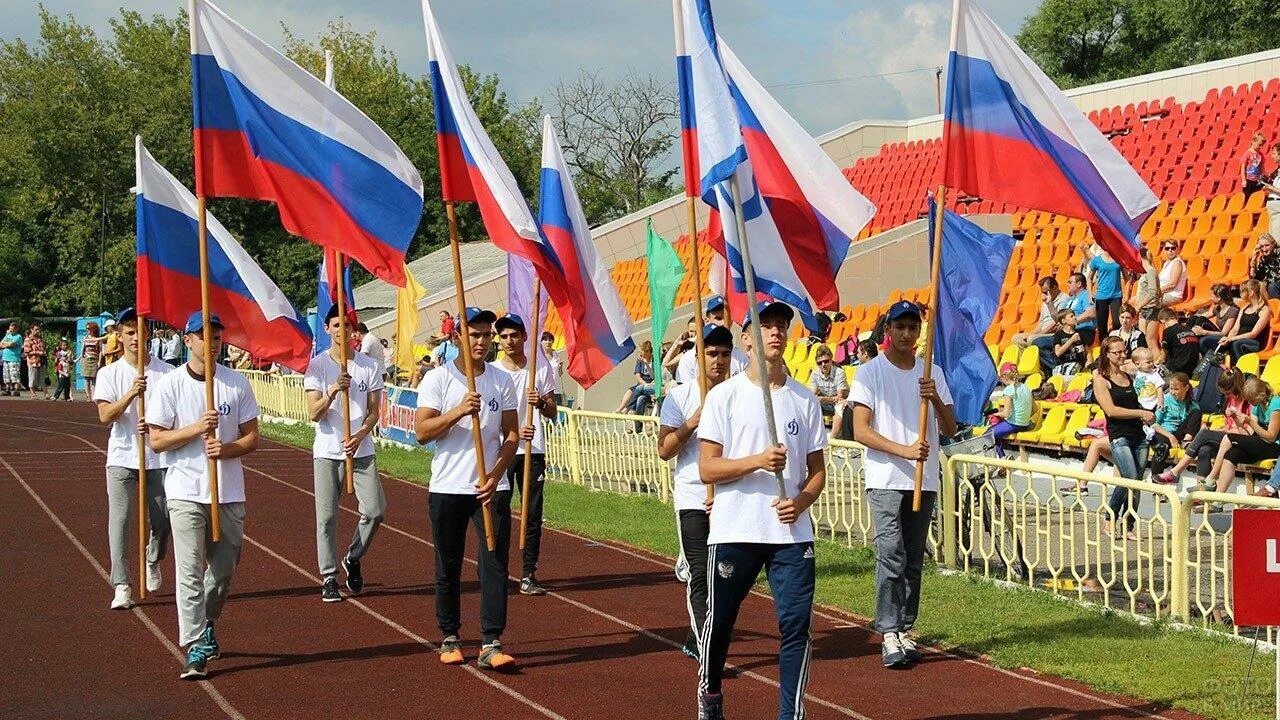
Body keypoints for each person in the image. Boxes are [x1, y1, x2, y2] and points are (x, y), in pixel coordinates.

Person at [696, 301, 827, 720]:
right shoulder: (724, 396)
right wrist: (756, 461)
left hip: (790, 534)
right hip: (736, 529)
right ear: (746, 338)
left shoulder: (804, 399)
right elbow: (707, 468)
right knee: (719, 625)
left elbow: (817, 471)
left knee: (796, 629)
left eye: (780, 326)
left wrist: (801, 501)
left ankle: (791, 714)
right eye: (764, 325)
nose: (774, 332)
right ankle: (711, 694)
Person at [146, 311, 260, 680]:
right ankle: (195, 645)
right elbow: (158, 440)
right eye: (202, 336)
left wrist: (224, 450)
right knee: (189, 571)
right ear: (188, 340)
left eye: (216, 336)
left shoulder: (236, 384)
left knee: (223, 571)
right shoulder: (170, 385)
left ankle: (208, 618)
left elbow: (251, 437)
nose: (210, 343)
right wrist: (197, 428)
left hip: (227, 491)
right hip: (184, 490)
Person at [850, 300, 956, 669]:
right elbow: (861, 430)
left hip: (922, 479)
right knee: (891, 553)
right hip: (885, 478)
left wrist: (936, 398)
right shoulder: (870, 373)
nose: (907, 334)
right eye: (900, 327)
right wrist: (905, 450)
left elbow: (950, 427)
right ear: (888, 330)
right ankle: (889, 630)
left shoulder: (932, 373)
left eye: (913, 328)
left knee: (913, 558)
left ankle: (905, 627)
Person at [414, 307, 519, 671]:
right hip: (448, 486)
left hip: (491, 487)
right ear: (457, 337)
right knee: (449, 562)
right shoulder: (438, 379)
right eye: (474, 335)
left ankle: (491, 641)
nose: (482, 341)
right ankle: (450, 635)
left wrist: (495, 474)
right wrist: (459, 411)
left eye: (486, 335)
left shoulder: (501, 381)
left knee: (494, 564)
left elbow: (512, 435)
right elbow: (423, 432)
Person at [658, 324, 733, 663]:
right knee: (701, 572)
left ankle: (694, 633)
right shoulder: (679, 396)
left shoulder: (740, 393)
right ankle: (708, 647)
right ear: (698, 356)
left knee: (726, 576)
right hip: (692, 496)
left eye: (725, 354)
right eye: (711, 353)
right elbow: (664, 450)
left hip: (731, 497)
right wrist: (692, 422)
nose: (718, 360)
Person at [303, 306, 386, 603]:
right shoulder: (317, 366)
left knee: (375, 511)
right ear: (327, 329)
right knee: (326, 518)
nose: (342, 330)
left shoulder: (369, 366)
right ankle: (328, 576)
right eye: (336, 325)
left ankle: (352, 556)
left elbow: (374, 412)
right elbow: (313, 413)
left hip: (361, 451)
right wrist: (334, 391)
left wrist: (360, 435)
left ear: (354, 330)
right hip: (327, 451)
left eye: (347, 325)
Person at [93, 308, 173, 610]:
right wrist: (130, 394)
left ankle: (153, 558)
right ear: (121, 337)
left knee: (163, 520)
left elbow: (175, 415)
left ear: (149, 334)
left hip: (157, 458)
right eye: (130, 332)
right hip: (122, 457)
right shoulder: (109, 373)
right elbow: (104, 415)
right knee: (121, 521)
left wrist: (153, 424)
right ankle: (123, 584)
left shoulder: (166, 372)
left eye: (141, 331)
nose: (136, 337)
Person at [493, 313, 558, 597]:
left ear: (524, 337)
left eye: (514, 335)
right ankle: (497, 568)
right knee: (499, 509)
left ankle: (529, 572)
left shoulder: (539, 370)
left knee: (532, 513)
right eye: (504, 336)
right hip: (503, 448)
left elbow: (553, 411)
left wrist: (541, 401)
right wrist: (513, 432)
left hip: (534, 449)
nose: (509, 341)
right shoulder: (492, 371)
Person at [1093, 336, 1153, 541]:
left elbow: (1136, 402)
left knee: (1137, 482)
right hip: (1119, 435)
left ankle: (1129, 526)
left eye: (1123, 351)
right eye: (1116, 352)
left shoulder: (1128, 376)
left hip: (1138, 434)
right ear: (1106, 354)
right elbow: (1111, 410)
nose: (1121, 355)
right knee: (1129, 477)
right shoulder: (1101, 380)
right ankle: (1109, 516)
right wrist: (1139, 413)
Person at [1156, 368, 1247, 486]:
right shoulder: (1229, 400)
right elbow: (1228, 425)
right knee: (1204, 450)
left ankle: (1175, 472)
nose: (1226, 396)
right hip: (1228, 435)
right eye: (1223, 394)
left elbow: (1245, 430)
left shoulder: (1246, 403)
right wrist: (1220, 430)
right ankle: (1201, 488)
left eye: (1228, 393)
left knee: (1204, 434)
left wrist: (1225, 429)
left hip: (1239, 438)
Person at [1201, 377, 1280, 503]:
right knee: (1232, 454)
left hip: (1274, 446)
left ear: (1259, 396)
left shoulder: (1276, 404)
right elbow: (1248, 436)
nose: (1251, 404)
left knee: (1229, 437)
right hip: (1260, 443)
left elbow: (1271, 436)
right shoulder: (1257, 407)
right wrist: (1236, 420)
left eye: (1252, 400)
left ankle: (1211, 479)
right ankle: (1218, 500)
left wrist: (1250, 422)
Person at [671, 296, 749, 384]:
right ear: (707, 321)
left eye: (726, 318)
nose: (723, 323)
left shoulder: (742, 359)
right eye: (718, 318)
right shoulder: (688, 360)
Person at [1148, 373, 1199, 480]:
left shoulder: (1192, 404)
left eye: (1176, 389)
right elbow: (1154, 423)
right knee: (1161, 448)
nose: (1172, 392)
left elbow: (1192, 423)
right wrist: (1170, 436)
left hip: (1180, 433)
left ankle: (1186, 442)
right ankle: (1156, 483)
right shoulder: (1165, 399)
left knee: (1196, 413)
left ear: (1186, 388)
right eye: (1171, 389)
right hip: (1164, 431)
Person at [1209, 279, 1271, 362]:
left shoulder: (1264, 310)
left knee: (1236, 344)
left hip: (1255, 343)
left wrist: (1232, 339)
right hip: (1238, 339)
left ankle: (1241, 372)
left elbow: (1253, 334)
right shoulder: (1244, 308)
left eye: (1242, 291)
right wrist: (1227, 338)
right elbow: (1235, 329)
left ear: (1251, 293)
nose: (1240, 294)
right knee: (1206, 341)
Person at [988, 362, 1032, 458]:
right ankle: (1002, 458)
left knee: (988, 434)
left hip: (1014, 424)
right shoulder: (1026, 387)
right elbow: (1035, 409)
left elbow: (1006, 414)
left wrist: (997, 414)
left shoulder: (1009, 389)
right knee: (996, 432)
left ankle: (1002, 459)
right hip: (1025, 424)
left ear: (1004, 377)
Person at [807, 345, 849, 441]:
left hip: (841, 403)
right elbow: (813, 394)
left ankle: (831, 440)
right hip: (827, 402)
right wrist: (817, 399)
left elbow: (840, 397)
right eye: (819, 363)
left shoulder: (839, 373)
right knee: (810, 404)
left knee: (839, 407)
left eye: (826, 361)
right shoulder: (815, 373)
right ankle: (813, 437)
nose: (823, 365)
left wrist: (823, 399)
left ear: (831, 360)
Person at [1088, 243, 1124, 341]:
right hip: (1101, 296)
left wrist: (1126, 295)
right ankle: (1104, 348)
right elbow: (1089, 278)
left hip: (1116, 295)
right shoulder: (1097, 260)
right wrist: (1090, 293)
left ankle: (1117, 345)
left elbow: (1127, 278)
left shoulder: (1119, 259)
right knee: (1102, 325)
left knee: (1117, 323)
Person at [1156, 308, 1201, 376]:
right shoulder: (1189, 330)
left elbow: (1163, 355)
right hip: (1193, 367)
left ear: (1162, 321)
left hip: (1178, 369)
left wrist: (1157, 363)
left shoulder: (1168, 331)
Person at [617, 340, 656, 415]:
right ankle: (620, 409)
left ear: (648, 352)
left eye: (642, 355)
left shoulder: (655, 361)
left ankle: (628, 409)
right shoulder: (639, 361)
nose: (641, 357)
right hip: (642, 383)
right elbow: (637, 376)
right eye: (640, 355)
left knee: (638, 391)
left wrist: (647, 365)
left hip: (651, 383)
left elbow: (654, 376)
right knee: (630, 391)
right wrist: (644, 384)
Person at [1043, 310, 1086, 375]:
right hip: (1062, 364)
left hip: (1076, 363)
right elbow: (1057, 353)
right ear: (1063, 321)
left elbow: (1087, 351)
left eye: (1074, 315)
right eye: (1071, 316)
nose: (1075, 317)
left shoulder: (1080, 333)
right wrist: (1071, 340)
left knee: (1070, 372)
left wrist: (1088, 363)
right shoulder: (1059, 334)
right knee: (1057, 376)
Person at [1248, 233, 1280, 301]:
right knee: (1251, 285)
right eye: (1261, 246)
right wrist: (1254, 258)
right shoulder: (1264, 258)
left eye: (1267, 245)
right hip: (1271, 289)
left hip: (1275, 287)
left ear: (1273, 244)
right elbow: (1255, 278)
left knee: (1272, 286)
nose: (1264, 249)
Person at [1156, 240, 1187, 306]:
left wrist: (1156, 292)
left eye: (1173, 248)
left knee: (1147, 302)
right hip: (1163, 294)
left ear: (1177, 249)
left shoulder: (1177, 262)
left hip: (1173, 296)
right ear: (1164, 250)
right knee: (1136, 300)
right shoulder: (1166, 263)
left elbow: (1172, 284)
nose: (1170, 250)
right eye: (1167, 248)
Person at [79, 321, 104, 400]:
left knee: (93, 378)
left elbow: (100, 351)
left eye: (89, 328)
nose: (87, 330)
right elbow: (82, 349)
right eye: (87, 328)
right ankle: (88, 396)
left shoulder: (98, 339)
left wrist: (99, 361)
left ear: (93, 329)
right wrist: (81, 358)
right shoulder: (85, 338)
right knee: (86, 378)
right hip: (86, 359)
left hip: (95, 359)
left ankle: (93, 395)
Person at [22, 324, 47, 398]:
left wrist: (44, 352)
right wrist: (38, 353)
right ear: (31, 330)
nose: (38, 331)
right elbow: (26, 352)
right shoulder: (28, 340)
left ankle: (46, 393)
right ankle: (33, 393)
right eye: (36, 329)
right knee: (32, 378)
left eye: (38, 329)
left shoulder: (40, 339)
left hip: (41, 361)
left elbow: (43, 348)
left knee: (42, 378)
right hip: (32, 361)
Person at [1262, 144, 1280, 237]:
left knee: (1277, 237)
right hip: (1272, 206)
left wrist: (1270, 188)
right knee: (1272, 237)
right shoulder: (1276, 172)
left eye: (1274, 153)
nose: (1272, 156)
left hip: (1278, 206)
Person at [1241, 132, 1267, 197]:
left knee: (1256, 197)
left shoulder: (1261, 155)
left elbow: (1262, 167)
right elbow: (1243, 167)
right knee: (1247, 197)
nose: (1261, 147)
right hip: (1248, 180)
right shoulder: (1247, 153)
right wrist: (1243, 180)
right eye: (1259, 145)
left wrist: (1265, 175)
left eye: (1262, 145)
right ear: (1253, 142)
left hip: (1257, 180)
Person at [1, 322, 23, 396]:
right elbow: (1, 344)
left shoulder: (18, 337)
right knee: (6, 375)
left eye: (13, 328)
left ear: (16, 329)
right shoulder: (7, 335)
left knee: (15, 374)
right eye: (10, 328)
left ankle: (17, 390)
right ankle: (8, 389)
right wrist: (6, 344)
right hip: (5, 358)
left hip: (14, 358)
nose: (11, 330)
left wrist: (6, 344)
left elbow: (12, 344)